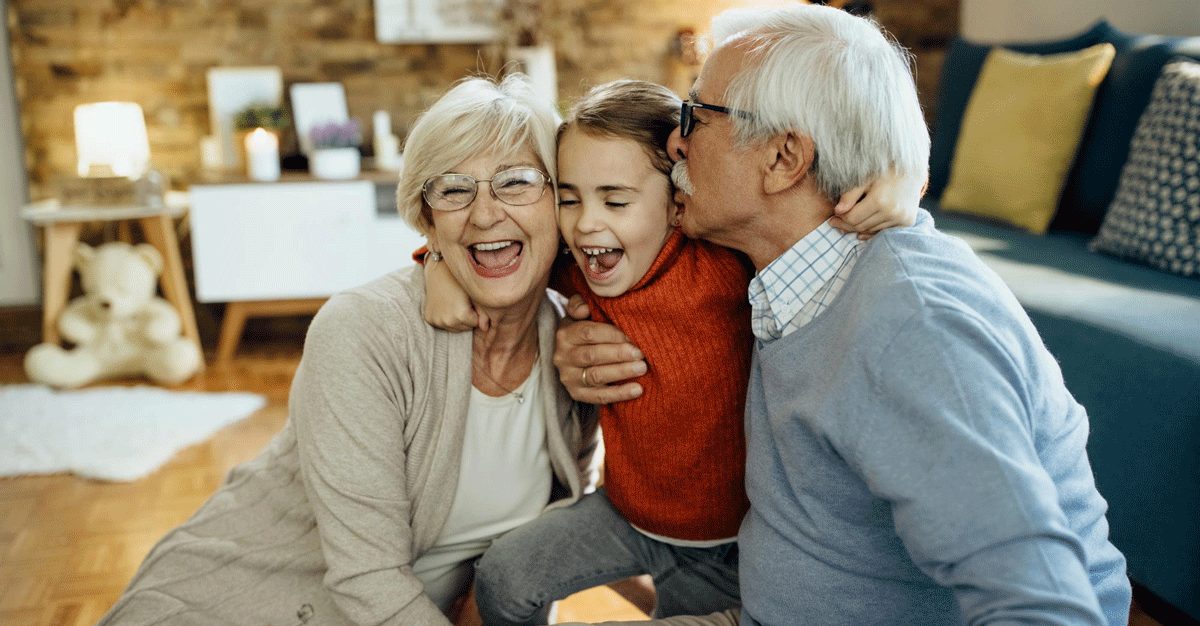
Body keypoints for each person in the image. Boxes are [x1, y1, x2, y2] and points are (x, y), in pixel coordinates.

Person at [556, 5, 1132, 625]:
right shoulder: (774, 263)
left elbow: (1048, 607)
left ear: (783, 158)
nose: (676, 140)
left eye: (697, 116)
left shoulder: (914, 329)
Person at [96, 74, 600, 626]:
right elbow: (369, 580)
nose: (484, 214)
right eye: (454, 190)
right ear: (428, 222)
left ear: (560, 202)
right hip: (239, 604)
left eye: (517, 182)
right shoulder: (363, 330)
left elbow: (548, 541)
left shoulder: (575, 346)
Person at [418, 79, 921, 624]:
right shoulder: (581, 267)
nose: (586, 223)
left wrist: (905, 180)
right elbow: (497, 254)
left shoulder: (725, 266)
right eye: (568, 198)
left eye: (615, 200)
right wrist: (437, 265)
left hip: (727, 541)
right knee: (503, 577)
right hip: (625, 511)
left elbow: (824, 220)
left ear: (679, 204)